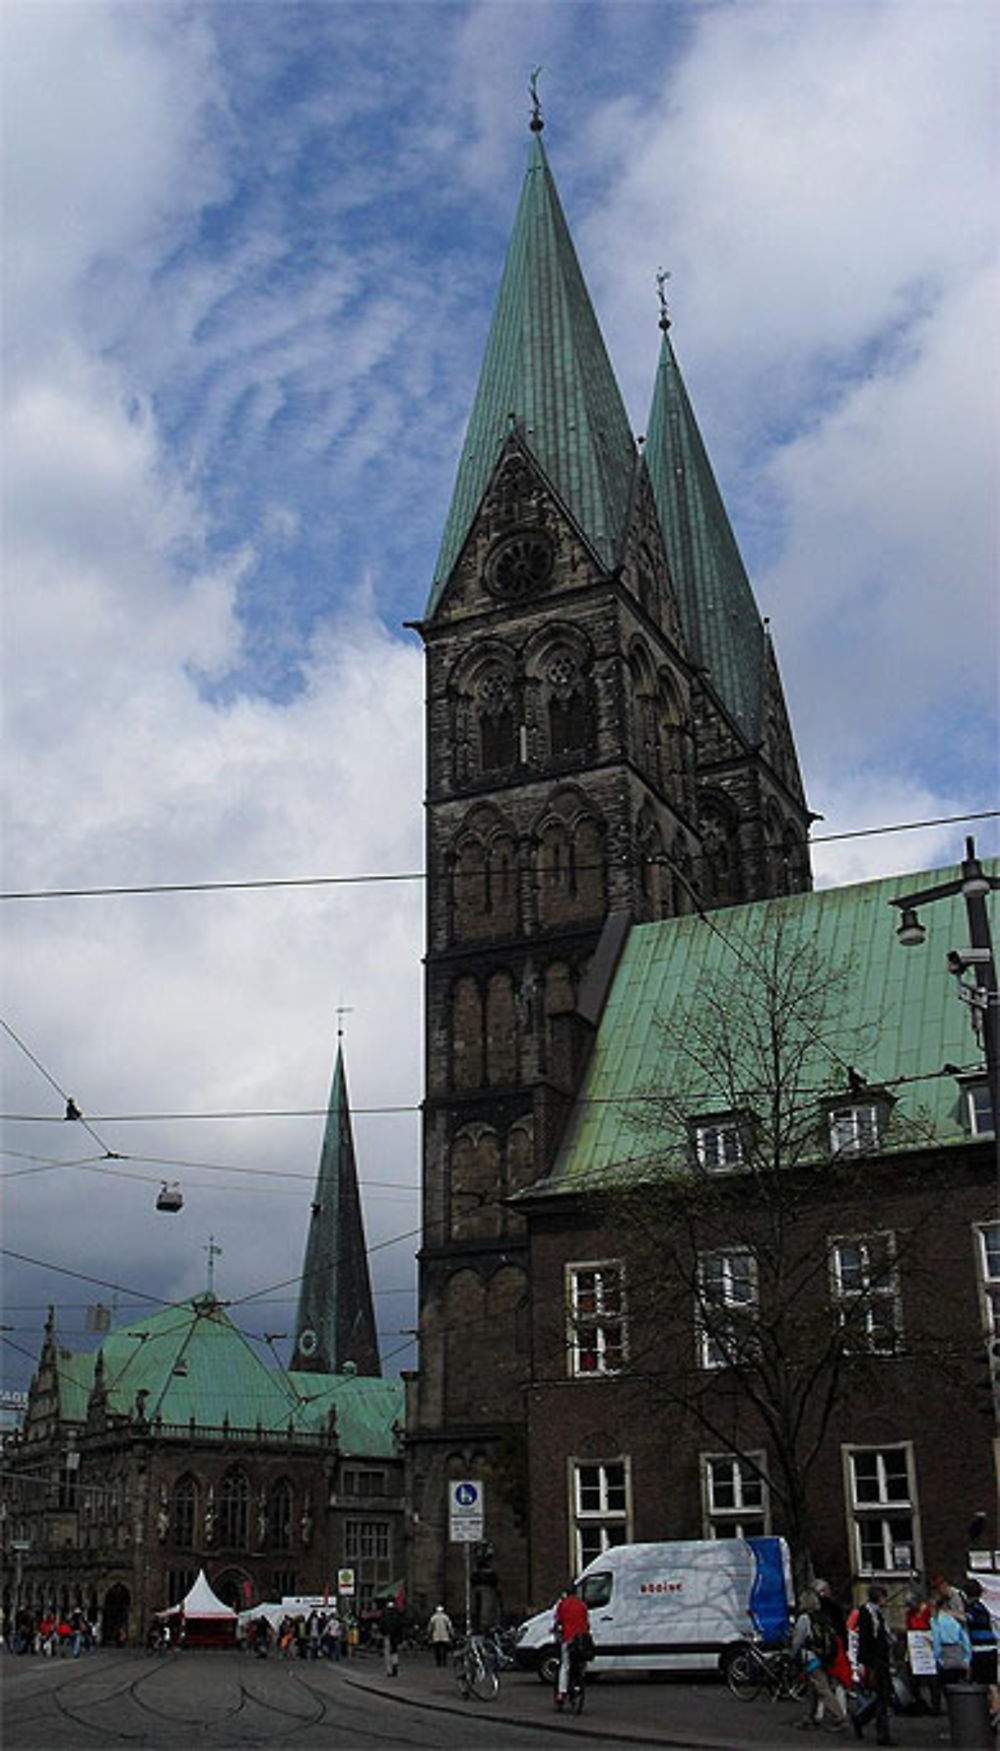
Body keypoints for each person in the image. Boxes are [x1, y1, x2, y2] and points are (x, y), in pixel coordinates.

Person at [791, 1588, 847, 1733]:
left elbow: (797, 1640)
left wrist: (792, 1654)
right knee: (813, 1689)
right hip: (825, 1657)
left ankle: (839, 1717)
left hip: (811, 1658)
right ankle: (811, 1717)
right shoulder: (822, 1617)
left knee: (822, 1689)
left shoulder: (804, 1619)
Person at [853, 1584, 894, 1746]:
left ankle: (861, 1719)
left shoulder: (877, 1613)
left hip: (880, 1659)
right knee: (883, 1696)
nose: (886, 1601)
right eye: (884, 1597)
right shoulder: (867, 1614)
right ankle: (882, 1734)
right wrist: (863, 1662)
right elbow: (865, 1639)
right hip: (875, 1661)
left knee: (883, 1696)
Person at [553, 1584, 591, 1708]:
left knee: (565, 1665)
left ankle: (561, 1692)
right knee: (582, 1661)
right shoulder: (582, 1605)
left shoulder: (562, 1605)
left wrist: (556, 1631)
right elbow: (587, 1623)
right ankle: (580, 1681)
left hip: (568, 1639)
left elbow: (558, 1622)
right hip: (582, 1639)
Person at [932, 1594, 971, 1689]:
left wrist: (937, 1659)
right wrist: (967, 1658)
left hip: (945, 1655)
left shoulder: (935, 1621)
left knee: (945, 1687)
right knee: (958, 1685)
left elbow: (936, 1641)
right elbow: (965, 1640)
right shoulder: (956, 1619)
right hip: (959, 1655)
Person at [380, 1598, 403, 1677]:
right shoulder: (397, 1612)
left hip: (387, 1634)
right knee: (394, 1651)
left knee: (387, 1652)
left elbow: (382, 1623)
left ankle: (389, 1670)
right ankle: (395, 1664)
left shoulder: (384, 1612)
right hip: (395, 1635)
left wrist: (383, 1632)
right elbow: (400, 1624)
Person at [427, 1603, 454, 1669]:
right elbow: (449, 1626)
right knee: (444, 1650)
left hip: (436, 1636)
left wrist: (429, 1633)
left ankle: (438, 1662)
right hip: (444, 1636)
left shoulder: (433, 1617)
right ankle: (444, 1661)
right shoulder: (445, 1617)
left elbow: (430, 1626)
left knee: (436, 1650)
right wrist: (452, 1633)